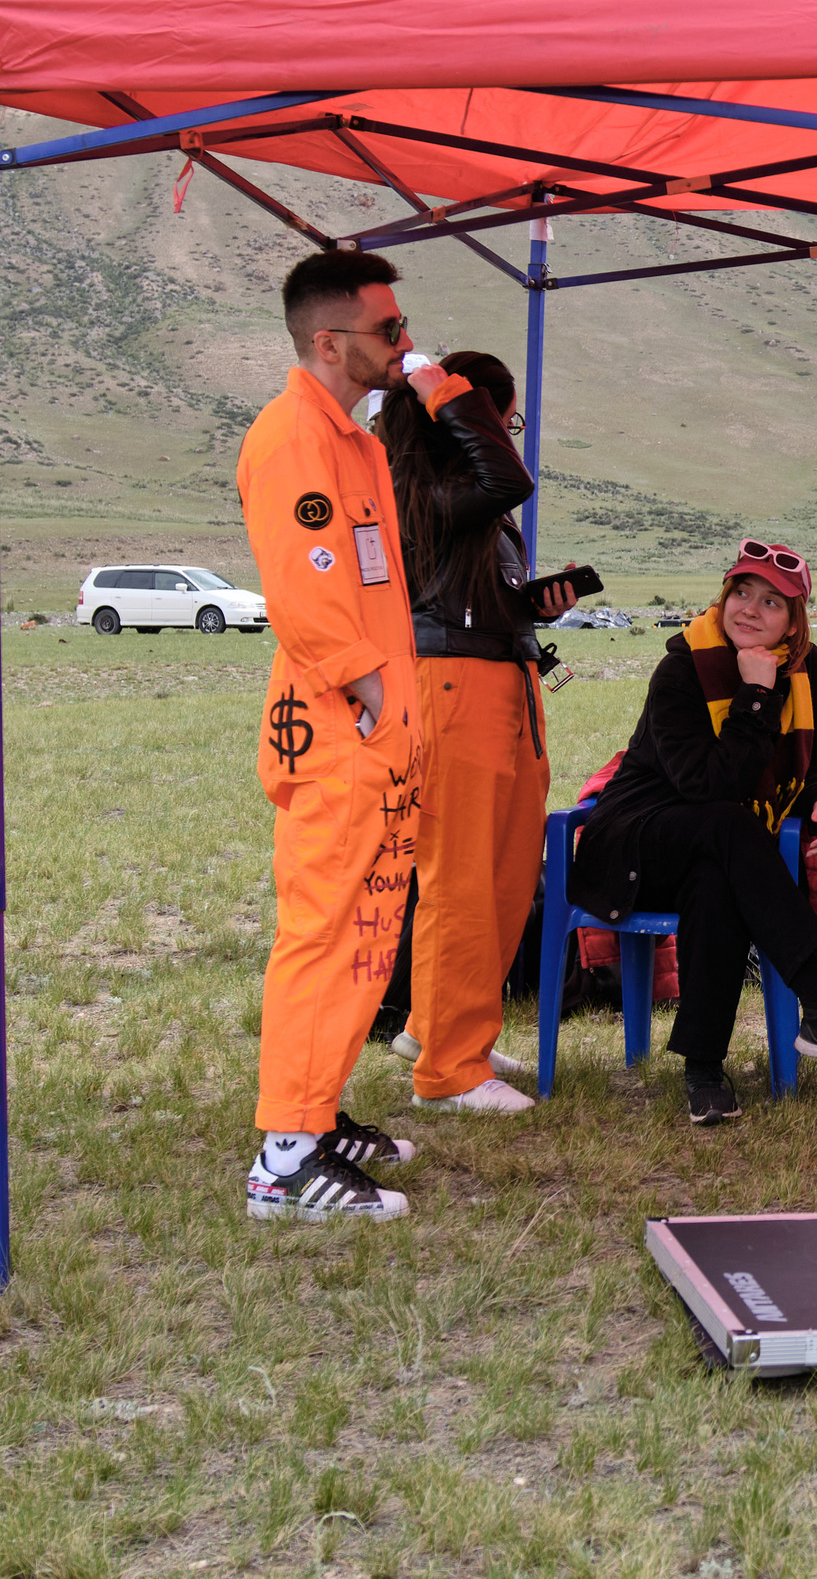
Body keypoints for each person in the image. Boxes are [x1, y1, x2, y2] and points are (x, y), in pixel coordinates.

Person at [240, 250, 443, 1222]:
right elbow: (306, 594)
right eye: (389, 329)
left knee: (366, 932)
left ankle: (314, 1113)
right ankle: (284, 1157)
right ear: (330, 340)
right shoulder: (291, 439)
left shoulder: (354, 440)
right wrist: (370, 695)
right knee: (323, 932)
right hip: (337, 733)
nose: (404, 344)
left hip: (378, 731)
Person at [568, 541, 817, 1125]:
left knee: (717, 880)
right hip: (636, 845)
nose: (749, 609)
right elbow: (705, 788)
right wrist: (753, 695)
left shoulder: (808, 670)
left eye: (771, 602)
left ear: (795, 621)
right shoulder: (683, 667)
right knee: (729, 823)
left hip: (719, 851)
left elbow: (816, 759)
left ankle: (703, 1072)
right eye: (741, 592)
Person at [375, 350, 577, 1116]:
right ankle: (448, 1070)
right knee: (461, 876)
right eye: (507, 418)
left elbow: (471, 587)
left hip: (501, 679)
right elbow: (512, 479)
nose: (509, 435)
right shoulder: (415, 484)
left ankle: (444, 1029)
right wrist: (451, 397)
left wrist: (530, 607)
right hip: (455, 686)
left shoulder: (458, 496)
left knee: (502, 872)